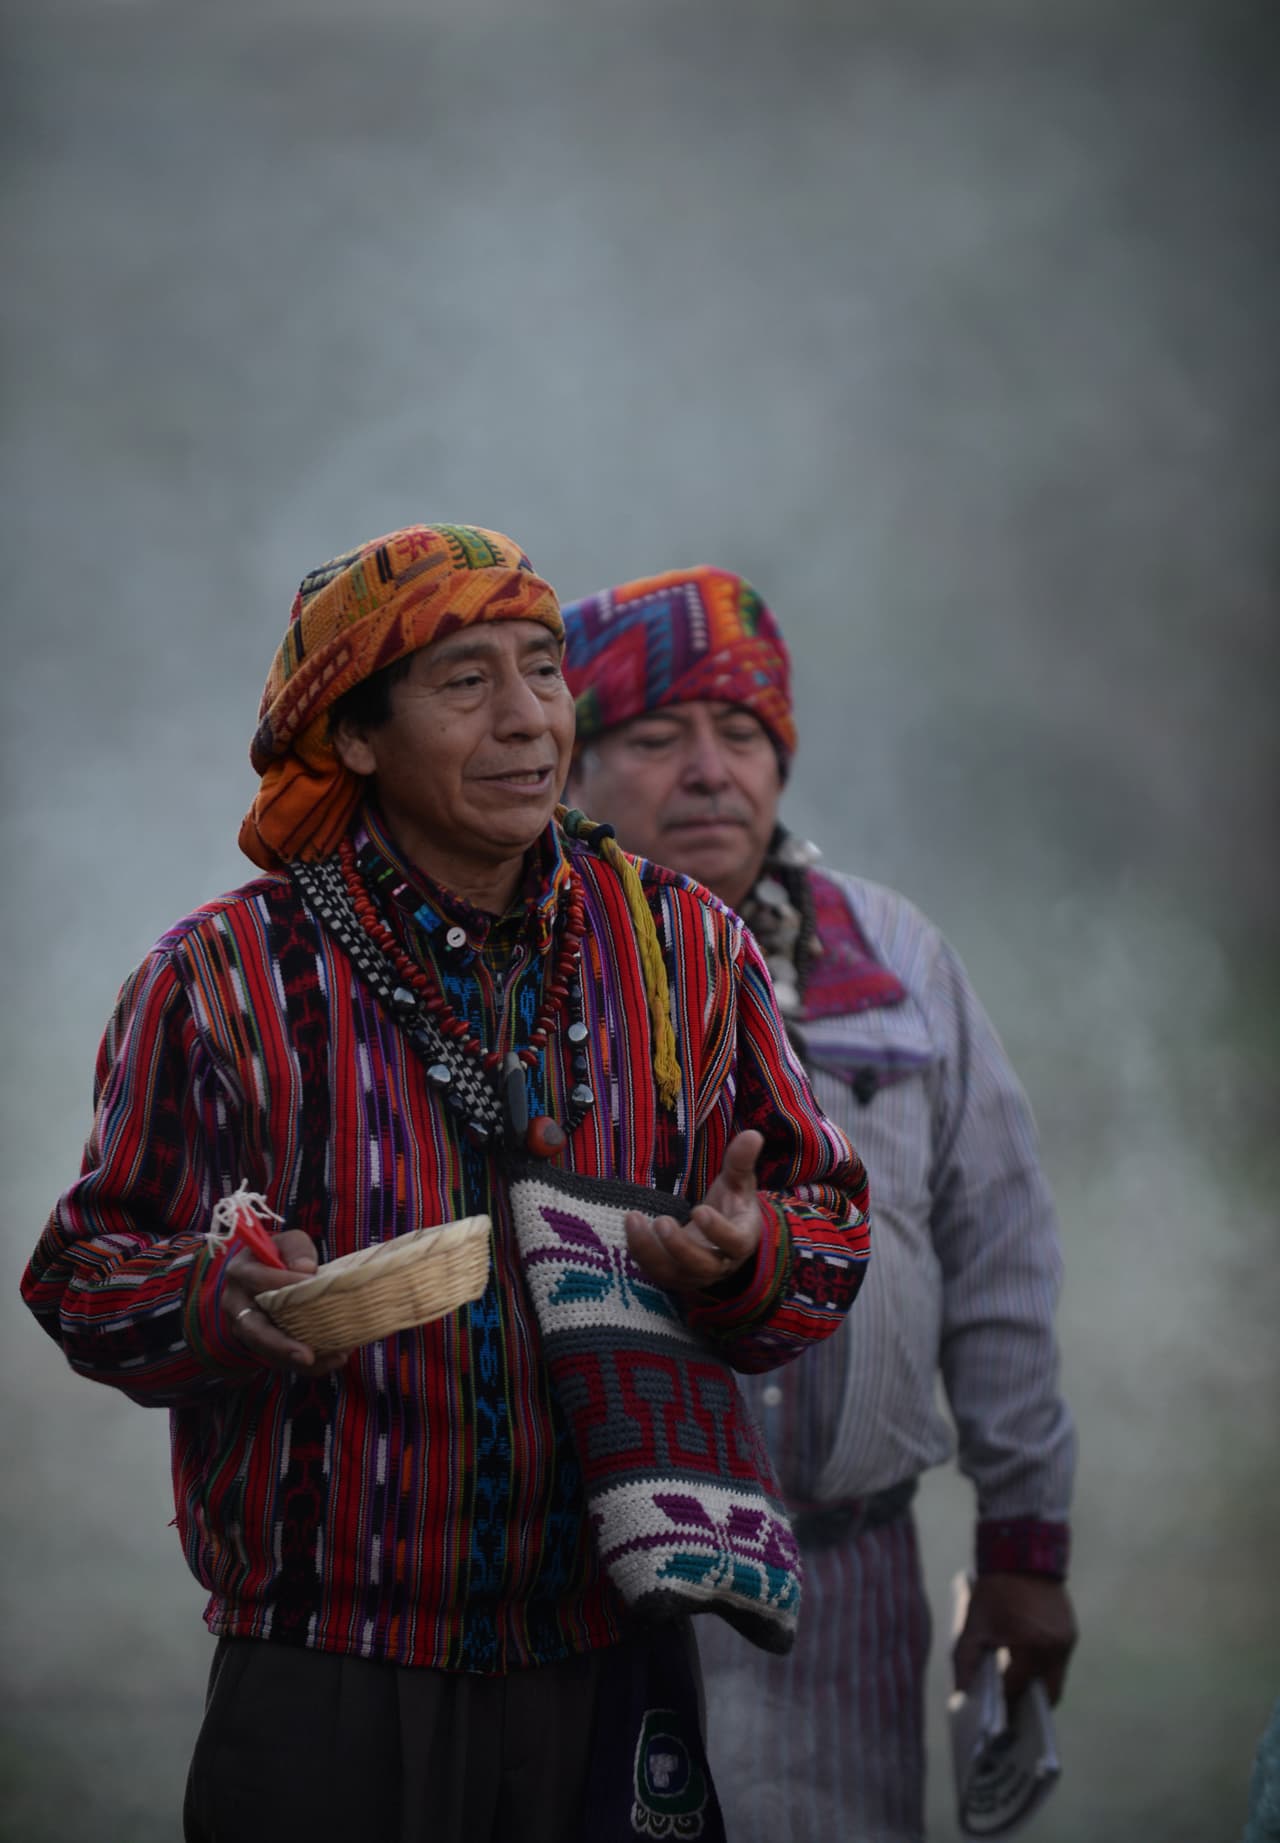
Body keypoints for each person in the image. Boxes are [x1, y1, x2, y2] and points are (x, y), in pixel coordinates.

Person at [20, 527, 873, 1843]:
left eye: (543, 668)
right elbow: (82, 1272)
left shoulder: (687, 948)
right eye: (466, 682)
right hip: (327, 1664)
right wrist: (219, 1298)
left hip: (611, 1650)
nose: (529, 716)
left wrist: (748, 1256)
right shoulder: (222, 979)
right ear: (355, 735)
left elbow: (827, 1222)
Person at [563, 564, 1078, 1843]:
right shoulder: (527, 971)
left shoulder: (894, 957)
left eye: (739, 732)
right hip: (584, 1591)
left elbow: (997, 1254)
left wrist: (1021, 1551)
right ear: (568, 768)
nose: (706, 770)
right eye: (652, 734)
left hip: (847, 1577)